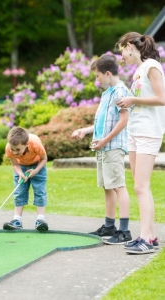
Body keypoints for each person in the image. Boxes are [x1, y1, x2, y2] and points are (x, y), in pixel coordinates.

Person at [72, 54, 132, 245]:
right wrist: (85, 131)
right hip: (103, 146)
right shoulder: (107, 93)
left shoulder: (120, 92)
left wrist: (104, 141)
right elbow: (102, 122)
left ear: (107, 73)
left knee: (118, 186)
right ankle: (109, 226)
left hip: (113, 146)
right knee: (107, 186)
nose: (96, 80)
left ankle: (124, 231)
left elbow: (124, 121)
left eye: (97, 76)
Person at [116, 32, 165, 254]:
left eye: (121, 51)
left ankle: (145, 239)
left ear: (129, 46)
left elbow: (161, 98)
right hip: (135, 131)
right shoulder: (138, 71)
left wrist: (133, 99)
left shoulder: (152, 65)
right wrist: (128, 104)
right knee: (139, 186)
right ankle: (150, 237)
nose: (121, 57)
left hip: (148, 131)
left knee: (141, 186)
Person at [3, 126, 48, 231]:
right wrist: (20, 174)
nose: (14, 152)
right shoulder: (9, 148)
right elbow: (14, 164)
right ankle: (17, 221)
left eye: (18, 149)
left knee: (39, 191)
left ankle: (40, 220)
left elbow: (44, 158)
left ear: (26, 144)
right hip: (20, 166)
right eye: (12, 149)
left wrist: (36, 171)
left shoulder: (35, 144)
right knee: (19, 192)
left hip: (38, 165)